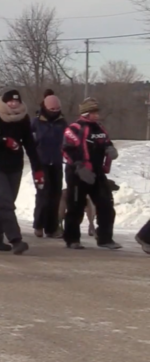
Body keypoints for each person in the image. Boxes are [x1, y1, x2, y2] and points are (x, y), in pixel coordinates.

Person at [0, 89, 42, 255]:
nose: (13, 104)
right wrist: (2, 141)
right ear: (5, 102)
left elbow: (30, 144)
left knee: (3, 202)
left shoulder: (23, 119)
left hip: (15, 166)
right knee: (6, 201)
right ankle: (16, 239)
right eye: (10, 101)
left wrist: (38, 169)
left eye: (16, 101)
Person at [62, 97, 121, 250]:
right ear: (86, 113)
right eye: (94, 112)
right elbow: (66, 150)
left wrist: (110, 149)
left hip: (97, 173)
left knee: (106, 205)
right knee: (76, 206)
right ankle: (72, 239)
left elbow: (106, 142)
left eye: (97, 112)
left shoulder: (100, 128)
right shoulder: (74, 128)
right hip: (77, 173)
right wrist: (79, 166)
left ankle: (105, 238)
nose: (97, 115)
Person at [31, 90, 67, 239]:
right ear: (45, 108)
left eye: (57, 109)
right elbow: (30, 142)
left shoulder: (62, 123)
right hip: (41, 163)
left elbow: (68, 140)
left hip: (57, 163)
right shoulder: (36, 123)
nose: (55, 112)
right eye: (52, 110)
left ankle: (52, 228)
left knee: (55, 195)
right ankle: (39, 225)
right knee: (43, 194)